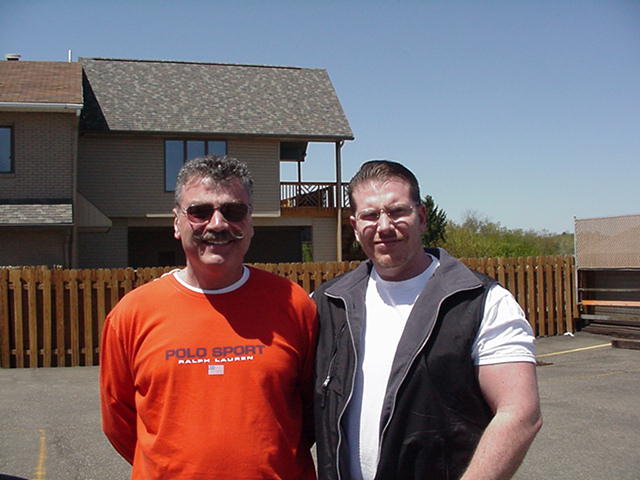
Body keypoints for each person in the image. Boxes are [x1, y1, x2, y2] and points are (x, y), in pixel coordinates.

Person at [314, 160, 542, 480]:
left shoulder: (482, 301)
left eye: (397, 211)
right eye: (370, 215)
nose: (384, 226)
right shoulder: (327, 302)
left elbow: (519, 413)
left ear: (421, 217)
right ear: (354, 225)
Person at [100, 155, 318, 479]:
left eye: (233, 211)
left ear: (250, 222)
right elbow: (118, 421)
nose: (217, 224)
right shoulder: (131, 314)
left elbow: (315, 410)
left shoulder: (294, 304)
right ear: (177, 223)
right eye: (200, 212)